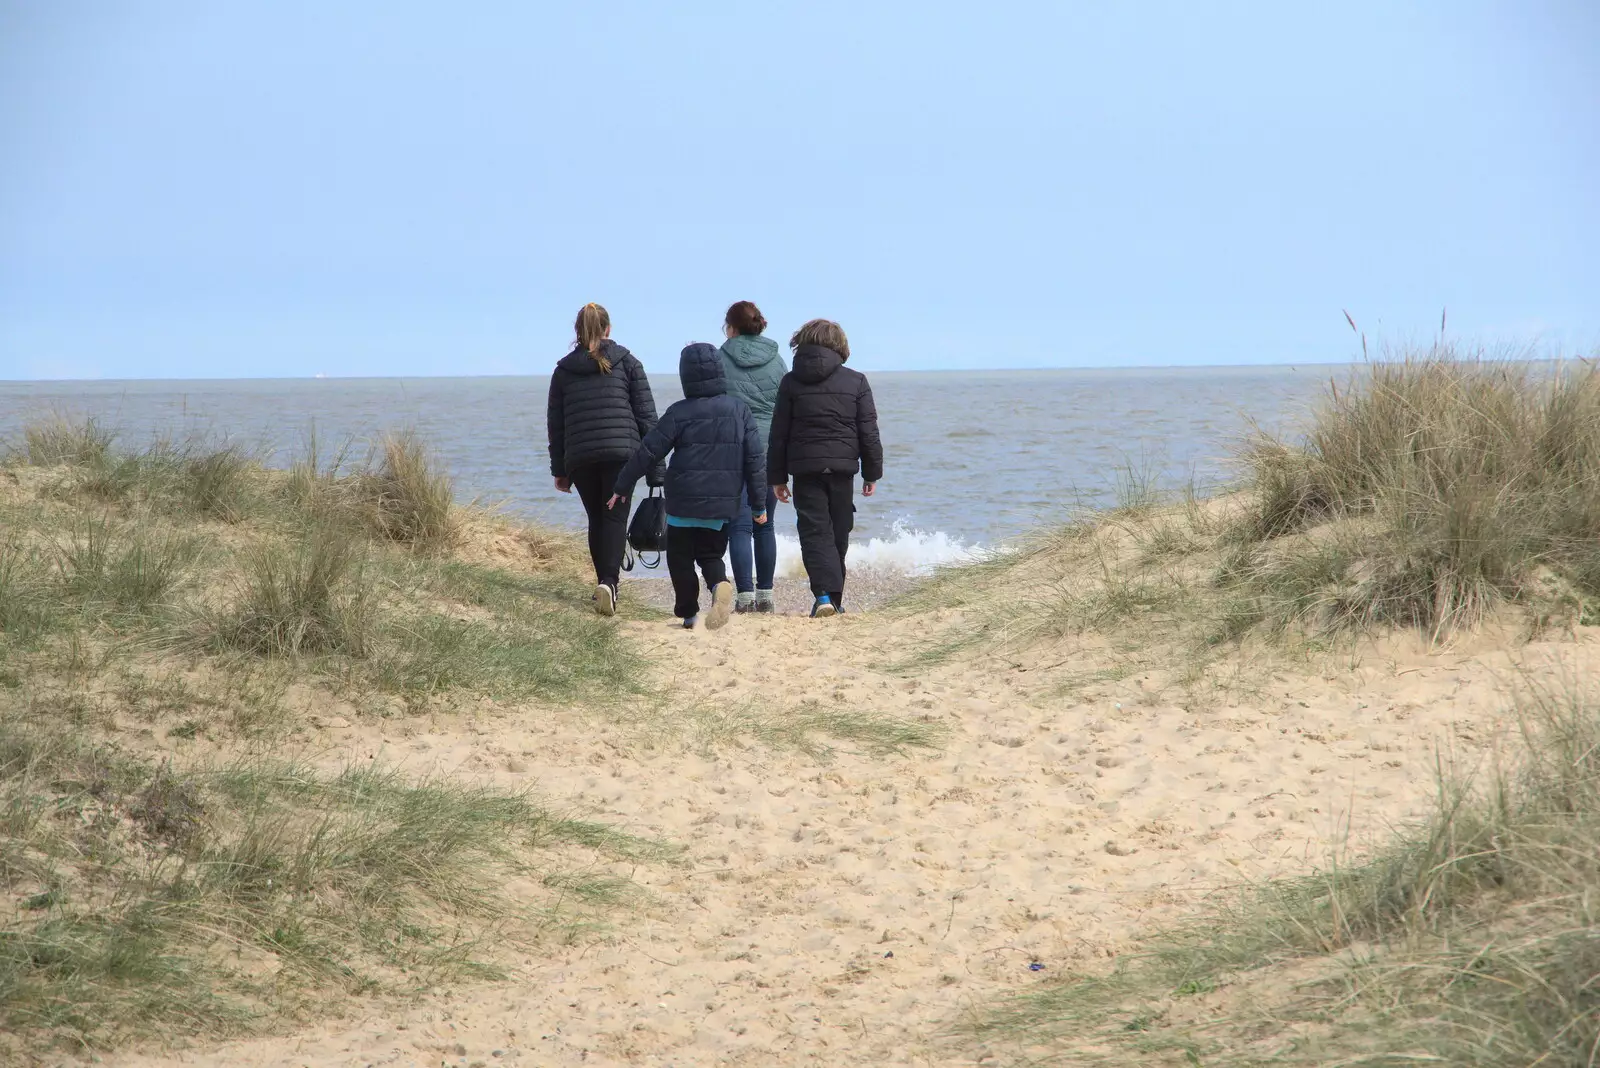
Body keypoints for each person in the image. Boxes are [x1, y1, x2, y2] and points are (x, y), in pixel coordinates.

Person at [608, 343, 767, 631]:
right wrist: (758, 505)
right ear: (719, 372)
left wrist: (622, 484)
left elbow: (649, 451)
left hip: (682, 503)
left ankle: (689, 613)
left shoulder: (679, 412)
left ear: (686, 377)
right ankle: (719, 584)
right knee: (710, 555)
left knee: (680, 560)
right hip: (721, 504)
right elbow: (755, 460)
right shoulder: (739, 410)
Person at [546, 302, 663, 616]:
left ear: (578, 332)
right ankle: (609, 583)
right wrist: (656, 468)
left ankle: (604, 584)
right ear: (608, 329)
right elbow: (647, 418)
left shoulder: (563, 371)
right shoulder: (627, 362)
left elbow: (556, 425)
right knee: (614, 517)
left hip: (581, 457)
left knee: (597, 519)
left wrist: (560, 469)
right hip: (622, 456)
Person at [767, 318, 883, 618]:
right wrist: (872, 472)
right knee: (838, 533)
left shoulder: (791, 382)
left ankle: (824, 597)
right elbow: (868, 432)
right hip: (843, 470)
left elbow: (778, 433)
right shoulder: (856, 381)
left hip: (806, 470)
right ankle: (832, 598)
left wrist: (777, 477)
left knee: (814, 532)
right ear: (840, 346)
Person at [718, 300, 787, 613]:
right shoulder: (776, 360)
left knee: (739, 526)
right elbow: (786, 407)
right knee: (766, 524)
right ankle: (766, 597)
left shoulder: (721, 357)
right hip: (769, 449)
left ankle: (744, 597)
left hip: (733, 448)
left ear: (731, 327)